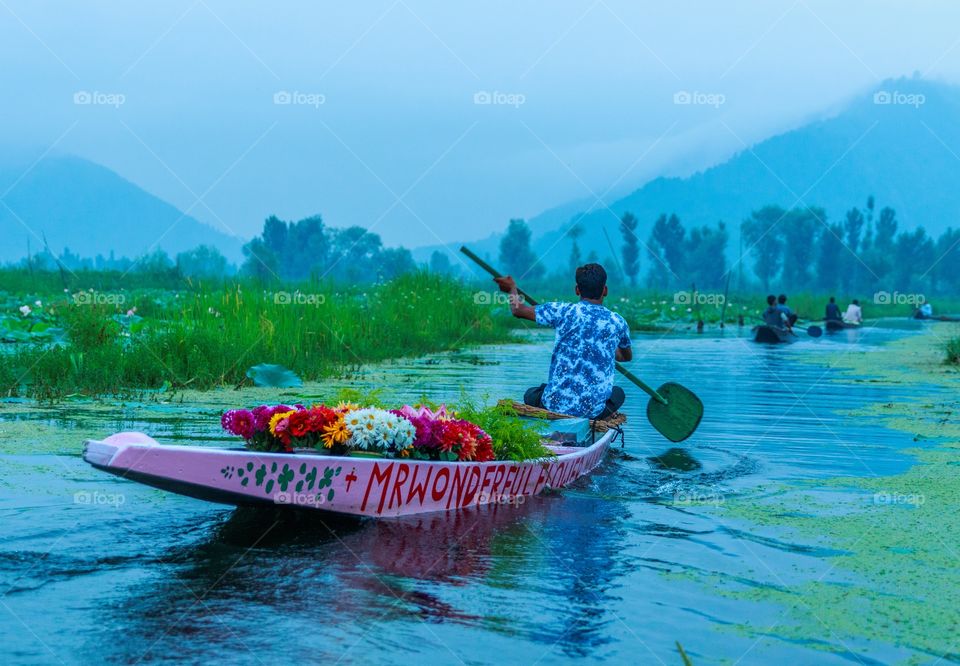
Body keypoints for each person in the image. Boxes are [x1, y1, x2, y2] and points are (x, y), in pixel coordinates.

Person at [494, 263, 631, 419]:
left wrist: (512, 288)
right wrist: (602, 347)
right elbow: (626, 356)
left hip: (554, 405)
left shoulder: (562, 311)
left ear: (577, 290)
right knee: (618, 393)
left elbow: (518, 310)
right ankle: (598, 420)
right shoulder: (618, 322)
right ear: (605, 290)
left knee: (531, 394)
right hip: (593, 411)